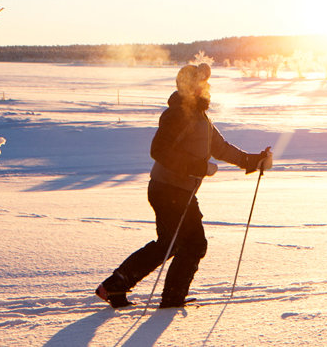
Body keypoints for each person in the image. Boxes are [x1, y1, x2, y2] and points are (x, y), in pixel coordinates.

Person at [97, 64, 271, 309]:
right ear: (189, 86)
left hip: (175, 190)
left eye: (206, 82)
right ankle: (172, 298)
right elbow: (158, 150)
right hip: (170, 190)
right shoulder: (179, 113)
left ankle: (115, 286)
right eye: (201, 82)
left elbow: (220, 148)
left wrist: (253, 160)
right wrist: (198, 168)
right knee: (194, 243)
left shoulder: (199, 116)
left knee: (167, 244)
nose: (206, 86)